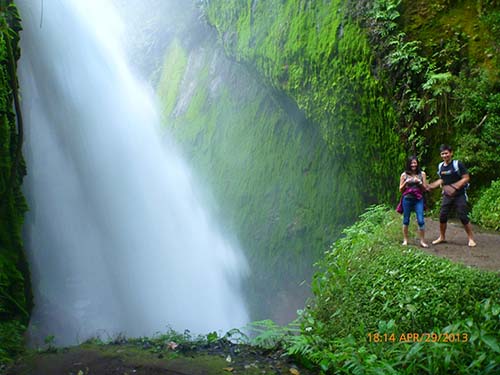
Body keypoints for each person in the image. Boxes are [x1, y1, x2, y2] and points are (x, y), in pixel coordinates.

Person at [427, 144, 476, 247]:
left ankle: (471, 238)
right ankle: (442, 237)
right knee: (442, 215)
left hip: (460, 195)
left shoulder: (457, 164)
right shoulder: (440, 166)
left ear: (451, 153)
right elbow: (442, 179)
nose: (445, 155)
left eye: (446, 153)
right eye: (442, 154)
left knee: (463, 216)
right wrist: (431, 186)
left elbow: (466, 178)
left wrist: (454, 187)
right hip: (447, 195)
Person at [399, 155, 428, 247]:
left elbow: (424, 189)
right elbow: (400, 189)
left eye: (415, 163)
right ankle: (405, 240)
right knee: (406, 219)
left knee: (421, 220)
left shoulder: (422, 174)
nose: (413, 165)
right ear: (408, 164)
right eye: (411, 163)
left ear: (417, 164)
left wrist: (419, 182)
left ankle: (422, 241)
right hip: (407, 198)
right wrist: (406, 182)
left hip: (418, 199)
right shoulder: (404, 175)